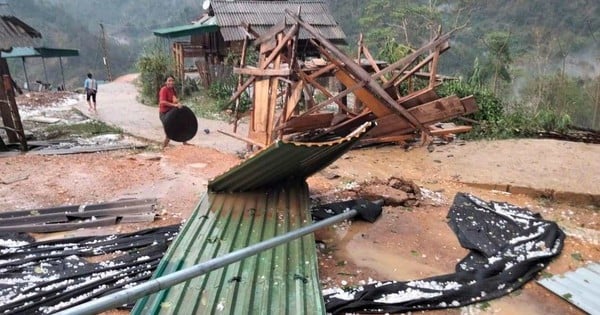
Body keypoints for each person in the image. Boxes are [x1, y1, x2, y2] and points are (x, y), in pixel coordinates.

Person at [158, 75, 188, 149]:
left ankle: (185, 143)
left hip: (172, 112)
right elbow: (162, 102)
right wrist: (174, 105)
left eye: (172, 80)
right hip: (164, 114)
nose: (171, 82)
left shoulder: (173, 90)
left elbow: (175, 100)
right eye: (169, 80)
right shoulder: (163, 90)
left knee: (181, 125)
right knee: (169, 133)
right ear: (166, 82)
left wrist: (178, 102)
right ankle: (163, 148)